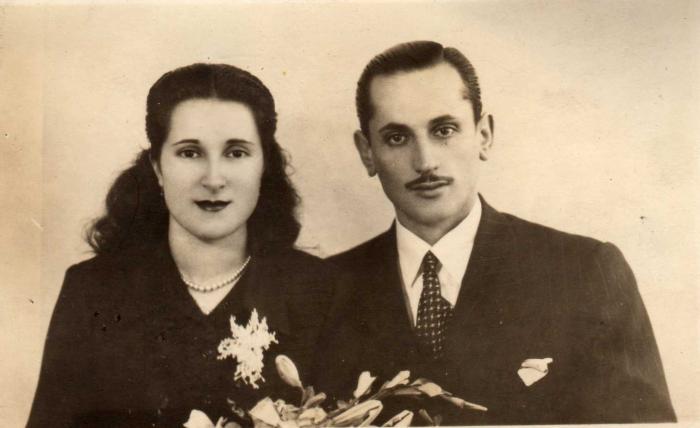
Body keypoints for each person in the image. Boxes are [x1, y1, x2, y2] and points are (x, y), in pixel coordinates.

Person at [320, 41, 676, 424]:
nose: (425, 162)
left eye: (444, 130)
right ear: (367, 152)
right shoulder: (323, 290)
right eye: (397, 137)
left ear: (484, 135)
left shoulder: (585, 271)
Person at [28, 63, 333, 427]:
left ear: (263, 165)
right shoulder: (93, 291)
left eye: (236, 153)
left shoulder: (320, 291)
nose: (214, 179)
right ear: (157, 166)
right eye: (190, 153)